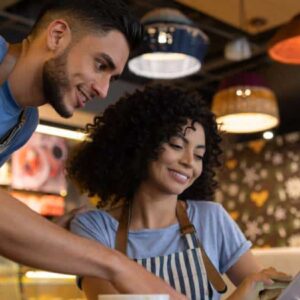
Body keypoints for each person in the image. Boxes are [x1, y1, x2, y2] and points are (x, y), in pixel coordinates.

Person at [0, 0, 186, 298]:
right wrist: (116, 265)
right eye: (101, 65)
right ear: (57, 35)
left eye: (112, 77)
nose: (103, 89)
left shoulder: (23, 124)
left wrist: (46, 235)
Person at [68, 84, 290, 300]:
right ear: (141, 143)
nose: (188, 162)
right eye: (176, 145)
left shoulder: (211, 218)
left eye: (199, 155)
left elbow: (264, 295)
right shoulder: (94, 228)